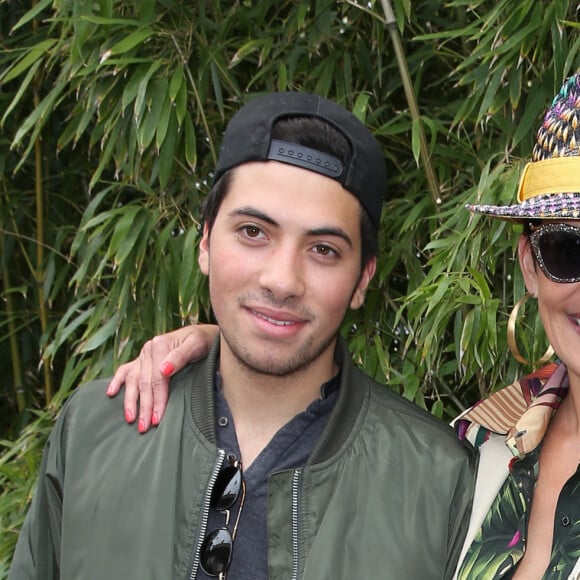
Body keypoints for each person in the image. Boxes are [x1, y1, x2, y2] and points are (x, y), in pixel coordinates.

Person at [109, 74, 580, 579]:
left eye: (322, 249)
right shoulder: (477, 444)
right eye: (568, 250)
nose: (281, 279)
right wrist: (235, 348)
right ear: (530, 267)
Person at [9, 91, 476, 580]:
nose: (281, 280)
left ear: (362, 280)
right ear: (206, 241)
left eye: (322, 249)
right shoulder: (93, 434)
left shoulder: (438, 482)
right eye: (254, 232)